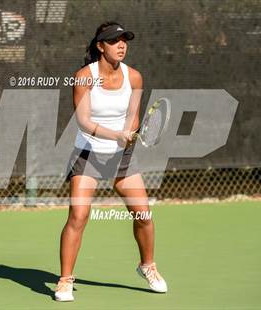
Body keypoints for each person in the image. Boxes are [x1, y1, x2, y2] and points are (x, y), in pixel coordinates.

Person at [55, 21, 167, 302]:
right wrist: (114, 134)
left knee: (143, 215)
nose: (121, 45)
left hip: (121, 155)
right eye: (114, 40)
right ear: (100, 46)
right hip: (89, 153)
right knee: (78, 216)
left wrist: (128, 132)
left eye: (124, 41)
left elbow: (134, 114)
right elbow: (83, 121)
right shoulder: (84, 76)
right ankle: (65, 280)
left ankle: (147, 266)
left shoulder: (135, 78)